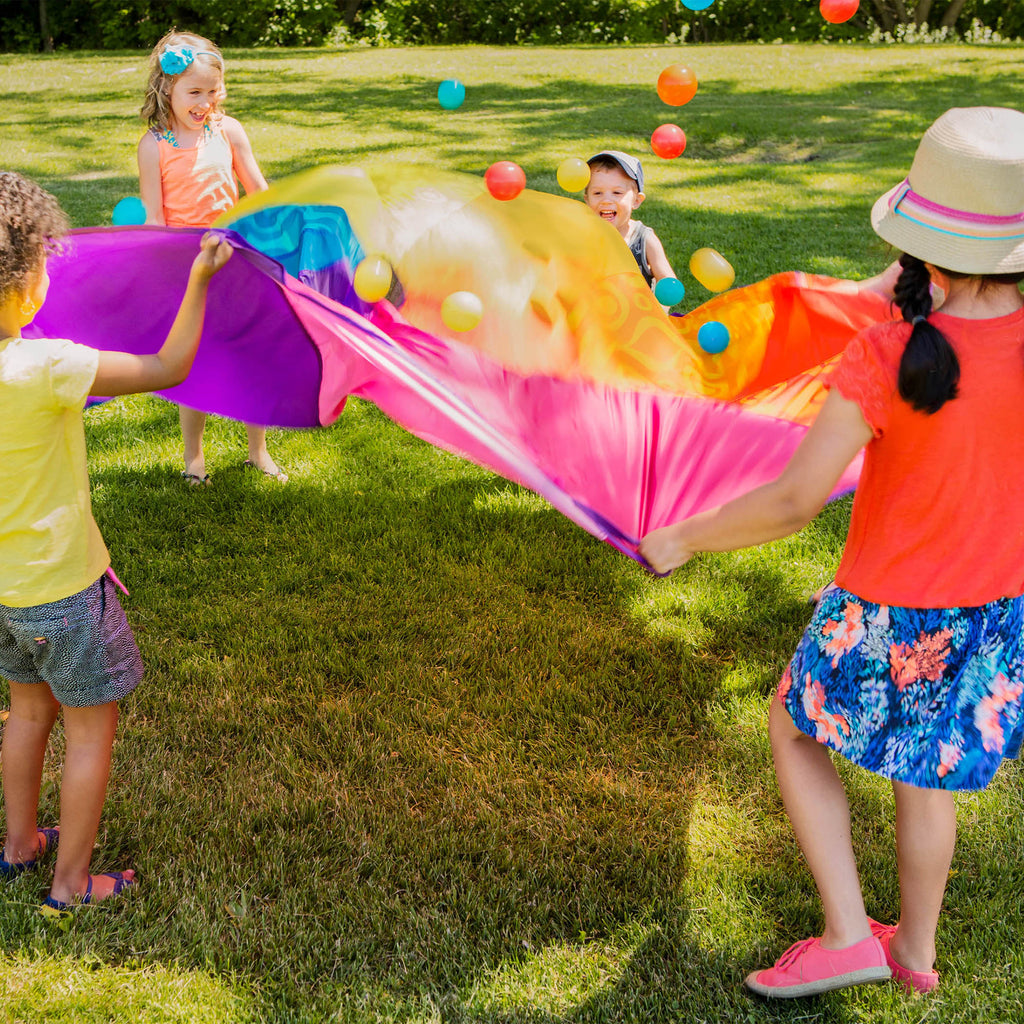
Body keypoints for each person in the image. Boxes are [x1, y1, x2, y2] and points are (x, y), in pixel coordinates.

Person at [639, 106, 1024, 998]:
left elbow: (790, 502)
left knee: (793, 723)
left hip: (887, 602)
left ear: (923, 243)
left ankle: (850, 933)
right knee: (926, 780)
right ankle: (915, 955)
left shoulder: (889, 353)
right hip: (996, 607)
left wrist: (685, 535)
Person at [0, 171, 232, 913]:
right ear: (22, 280)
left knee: (27, 713)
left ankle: (17, 848)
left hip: (4, 595)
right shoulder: (47, 366)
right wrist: (198, 280)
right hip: (65, 592)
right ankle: (70, 884)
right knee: (90, 730)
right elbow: (170, 369)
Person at [137, 28, 285, 486]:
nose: (204, 101)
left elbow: (258, 191)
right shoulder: (154, 145)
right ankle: (193, 458)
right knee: (193, 362)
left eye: (212, 90)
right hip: (190, 268)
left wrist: (278, 227)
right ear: (168, 88)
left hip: (240, 259)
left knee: (252, 353)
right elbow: (155, 218)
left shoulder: (229, 130)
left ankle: (257, 451)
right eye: (194, 92)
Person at [585, 151, 678, 291]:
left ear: (636, 200)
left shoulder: (644, 239)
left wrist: (659, 310)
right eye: (597, 193)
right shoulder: (582, 237)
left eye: (617, 193)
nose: (606, 200)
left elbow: (667, 280)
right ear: (587, 200)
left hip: (639, 312)